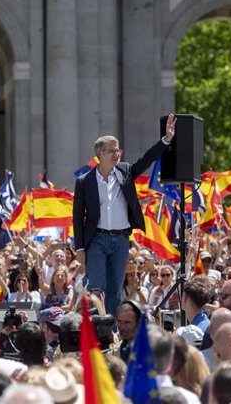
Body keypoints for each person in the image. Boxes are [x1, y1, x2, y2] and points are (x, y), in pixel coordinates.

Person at [73, 113, 177, 316]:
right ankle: (97, 330)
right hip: (96, 239)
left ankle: (111, 333)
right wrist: (79, 247)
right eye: (112, 150)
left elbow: (146, 159)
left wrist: (166, 140)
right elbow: (78, 216)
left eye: (118, 150)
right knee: (96, 288)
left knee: (114, 291)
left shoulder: (125, 171)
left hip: (121, 239)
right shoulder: (85, 181)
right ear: (100, 154)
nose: (117, 154)